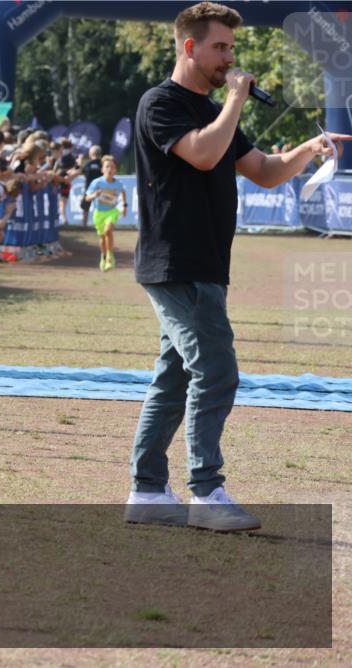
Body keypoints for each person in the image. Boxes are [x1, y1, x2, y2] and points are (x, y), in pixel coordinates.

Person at [125, 1, 352, 530]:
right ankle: (205, 491)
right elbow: (203, 155)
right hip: (175, 263)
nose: (230, 57)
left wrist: (308, 148)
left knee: (175, 378)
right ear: (189, 47)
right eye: (220, 47)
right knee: (217, 369)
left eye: (232, 47)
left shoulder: (216, 112)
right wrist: (234, 102)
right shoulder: (161, 103)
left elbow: (266, 172)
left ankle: (149, 491)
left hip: (206, 264)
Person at [84, 155, 126, 272]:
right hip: (99, 213)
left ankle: (110, 256)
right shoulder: (96, 182)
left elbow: (123, 192)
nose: (109, 169)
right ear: (102, 169)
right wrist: (94, 195)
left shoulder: (118, 183)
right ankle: (103, 256)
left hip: (112, 211)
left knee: (108, 230)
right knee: (102, 237)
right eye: (107, 167)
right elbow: (87, 198)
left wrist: (125, 206)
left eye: (112, 167)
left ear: (115, 170)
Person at [79, 145, 103, 226]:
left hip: (89, 189)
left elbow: (80, 171)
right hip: (101, 189)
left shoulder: (87, 164)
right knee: (100, 208)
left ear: (90, 153)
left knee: (85, 208)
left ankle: (84, 225)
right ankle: (100, 225)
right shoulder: (103, 164)